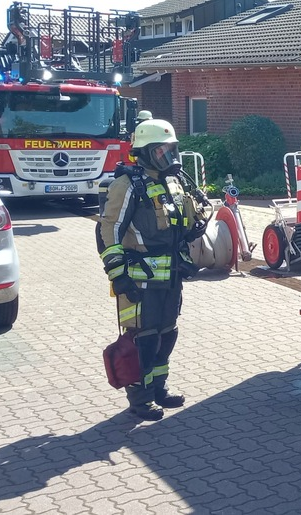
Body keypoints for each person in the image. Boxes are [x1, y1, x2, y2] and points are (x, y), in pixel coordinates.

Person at [95, 115, 209, 421]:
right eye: (161, 151)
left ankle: (159, 387)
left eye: (171, 150)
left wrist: (193, 224)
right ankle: (140, 398)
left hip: (171, 276)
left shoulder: (172, 182)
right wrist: (117, 275)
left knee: (166, 334)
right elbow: (109, 230)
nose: (169, 157)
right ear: (144, 152)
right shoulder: (127, 184)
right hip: (138, 280)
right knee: (141, 339)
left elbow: (179, 225)